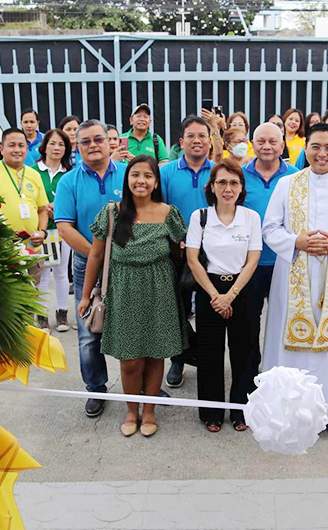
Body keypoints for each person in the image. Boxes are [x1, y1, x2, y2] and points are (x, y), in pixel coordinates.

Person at [262, 123, 328, 435]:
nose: (322, 154)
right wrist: (296, 242)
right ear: (304, 149)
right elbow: (270, 229)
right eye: (316, 147)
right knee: (297, 346)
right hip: (295, 272)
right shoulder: (286, 184)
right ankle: (292, 411)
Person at [78, 155, 187, 438]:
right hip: (123, 289)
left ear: (155, 182)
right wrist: (86, 295)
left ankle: (149, 411)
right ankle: (131, 410)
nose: (141, 180)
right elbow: (97, 254)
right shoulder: (112, 212)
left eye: (148, 176)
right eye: (135, 175)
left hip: (159, 289)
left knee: (154, 354)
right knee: (130, 358)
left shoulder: (168, 212)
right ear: (127, 180)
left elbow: (178, 254)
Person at [55, 120, 127, 417]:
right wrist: (99, 255)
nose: (93, 144)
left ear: (110, 142)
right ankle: (96, 388)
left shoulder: (128, 175)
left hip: (129, 262)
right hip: (87, 264)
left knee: (134, 326)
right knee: (89, 330)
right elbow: (64, 227)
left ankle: (142, 388)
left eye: (99, 139)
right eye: (85, 141)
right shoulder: (68, 182)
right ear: (78, 147)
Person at [186, 160, 262, 433]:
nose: (227, 188)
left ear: (241, 188)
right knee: (210, 354)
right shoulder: (200, 217)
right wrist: (216, 296)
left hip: (242, 289)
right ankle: (211, 412)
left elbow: (253, 260)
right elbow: (193, 260)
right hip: (210, 289)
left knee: (246, 353)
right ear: (212, 187)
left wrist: (230, 295)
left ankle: (242, 410)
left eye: (233, 183)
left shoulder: (251, 218)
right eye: (222, 182)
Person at [159, 116, 215, 388]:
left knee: (207, 309)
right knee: (176, 310)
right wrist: (175, 239)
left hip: (211, 255)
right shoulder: (166, 172)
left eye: (202, 136)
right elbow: (159, 210)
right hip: (175, 253)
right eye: (191, 136)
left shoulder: (218, 172)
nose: (197, 141)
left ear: (210, 140)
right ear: (181, 142)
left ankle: (207, 358)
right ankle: (178, 358)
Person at [242, 123, 298, 361]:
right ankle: (250, 377)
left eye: (273, 141)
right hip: (249, 264)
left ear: (282, 146)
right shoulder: (239, 175)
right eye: (261, 141)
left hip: (285, 261)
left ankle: (282, 372)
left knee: (285, 321)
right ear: (252, 145)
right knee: (249, 324)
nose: (266, 146)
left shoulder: (296, 176)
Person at [0, 128, 49, 283]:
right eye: (12, 145)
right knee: (6, 301)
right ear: (1, 148)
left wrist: (42, 232)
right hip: (1, 250)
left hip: (31, 249)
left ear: (27, 148)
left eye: (21, 145)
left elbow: (42, 210)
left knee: (31, 300)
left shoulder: (34, 174)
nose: (17, 150)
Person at [34, 129, 74, 332]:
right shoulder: (33, 171)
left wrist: (57, 209)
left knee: (61, 273)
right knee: (42, 274)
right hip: (41, 232)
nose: (56, 148)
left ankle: (62, 314)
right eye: (53, 143)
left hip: (63, 231)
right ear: (45, 146)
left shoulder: (69, 174)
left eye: (61, 145)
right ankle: (41, 315)